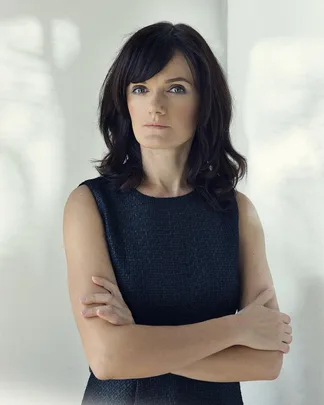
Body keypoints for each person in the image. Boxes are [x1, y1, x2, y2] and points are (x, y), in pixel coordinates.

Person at [63, 21, 293, 405]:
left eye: (176, 88)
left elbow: (266, 361)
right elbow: (107, 358)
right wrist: (237, 328)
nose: (155, 105)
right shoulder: (90, 205)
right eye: (140, 89)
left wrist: (139, 339)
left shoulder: (238, 213)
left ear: (204, 103)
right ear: (125, 103)